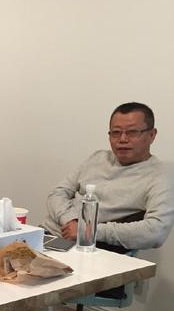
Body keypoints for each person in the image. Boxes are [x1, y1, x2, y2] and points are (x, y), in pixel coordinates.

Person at [43, 102, 174, 251]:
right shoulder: (98, 158)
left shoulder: (159, 177)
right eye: (116, 132)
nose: (122, 139)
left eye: (132, 132)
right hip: (48, 234)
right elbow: (58, 193)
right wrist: (71, 220)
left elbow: (156, 232)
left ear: (152, 135)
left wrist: (89, 230)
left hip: (86, 249)